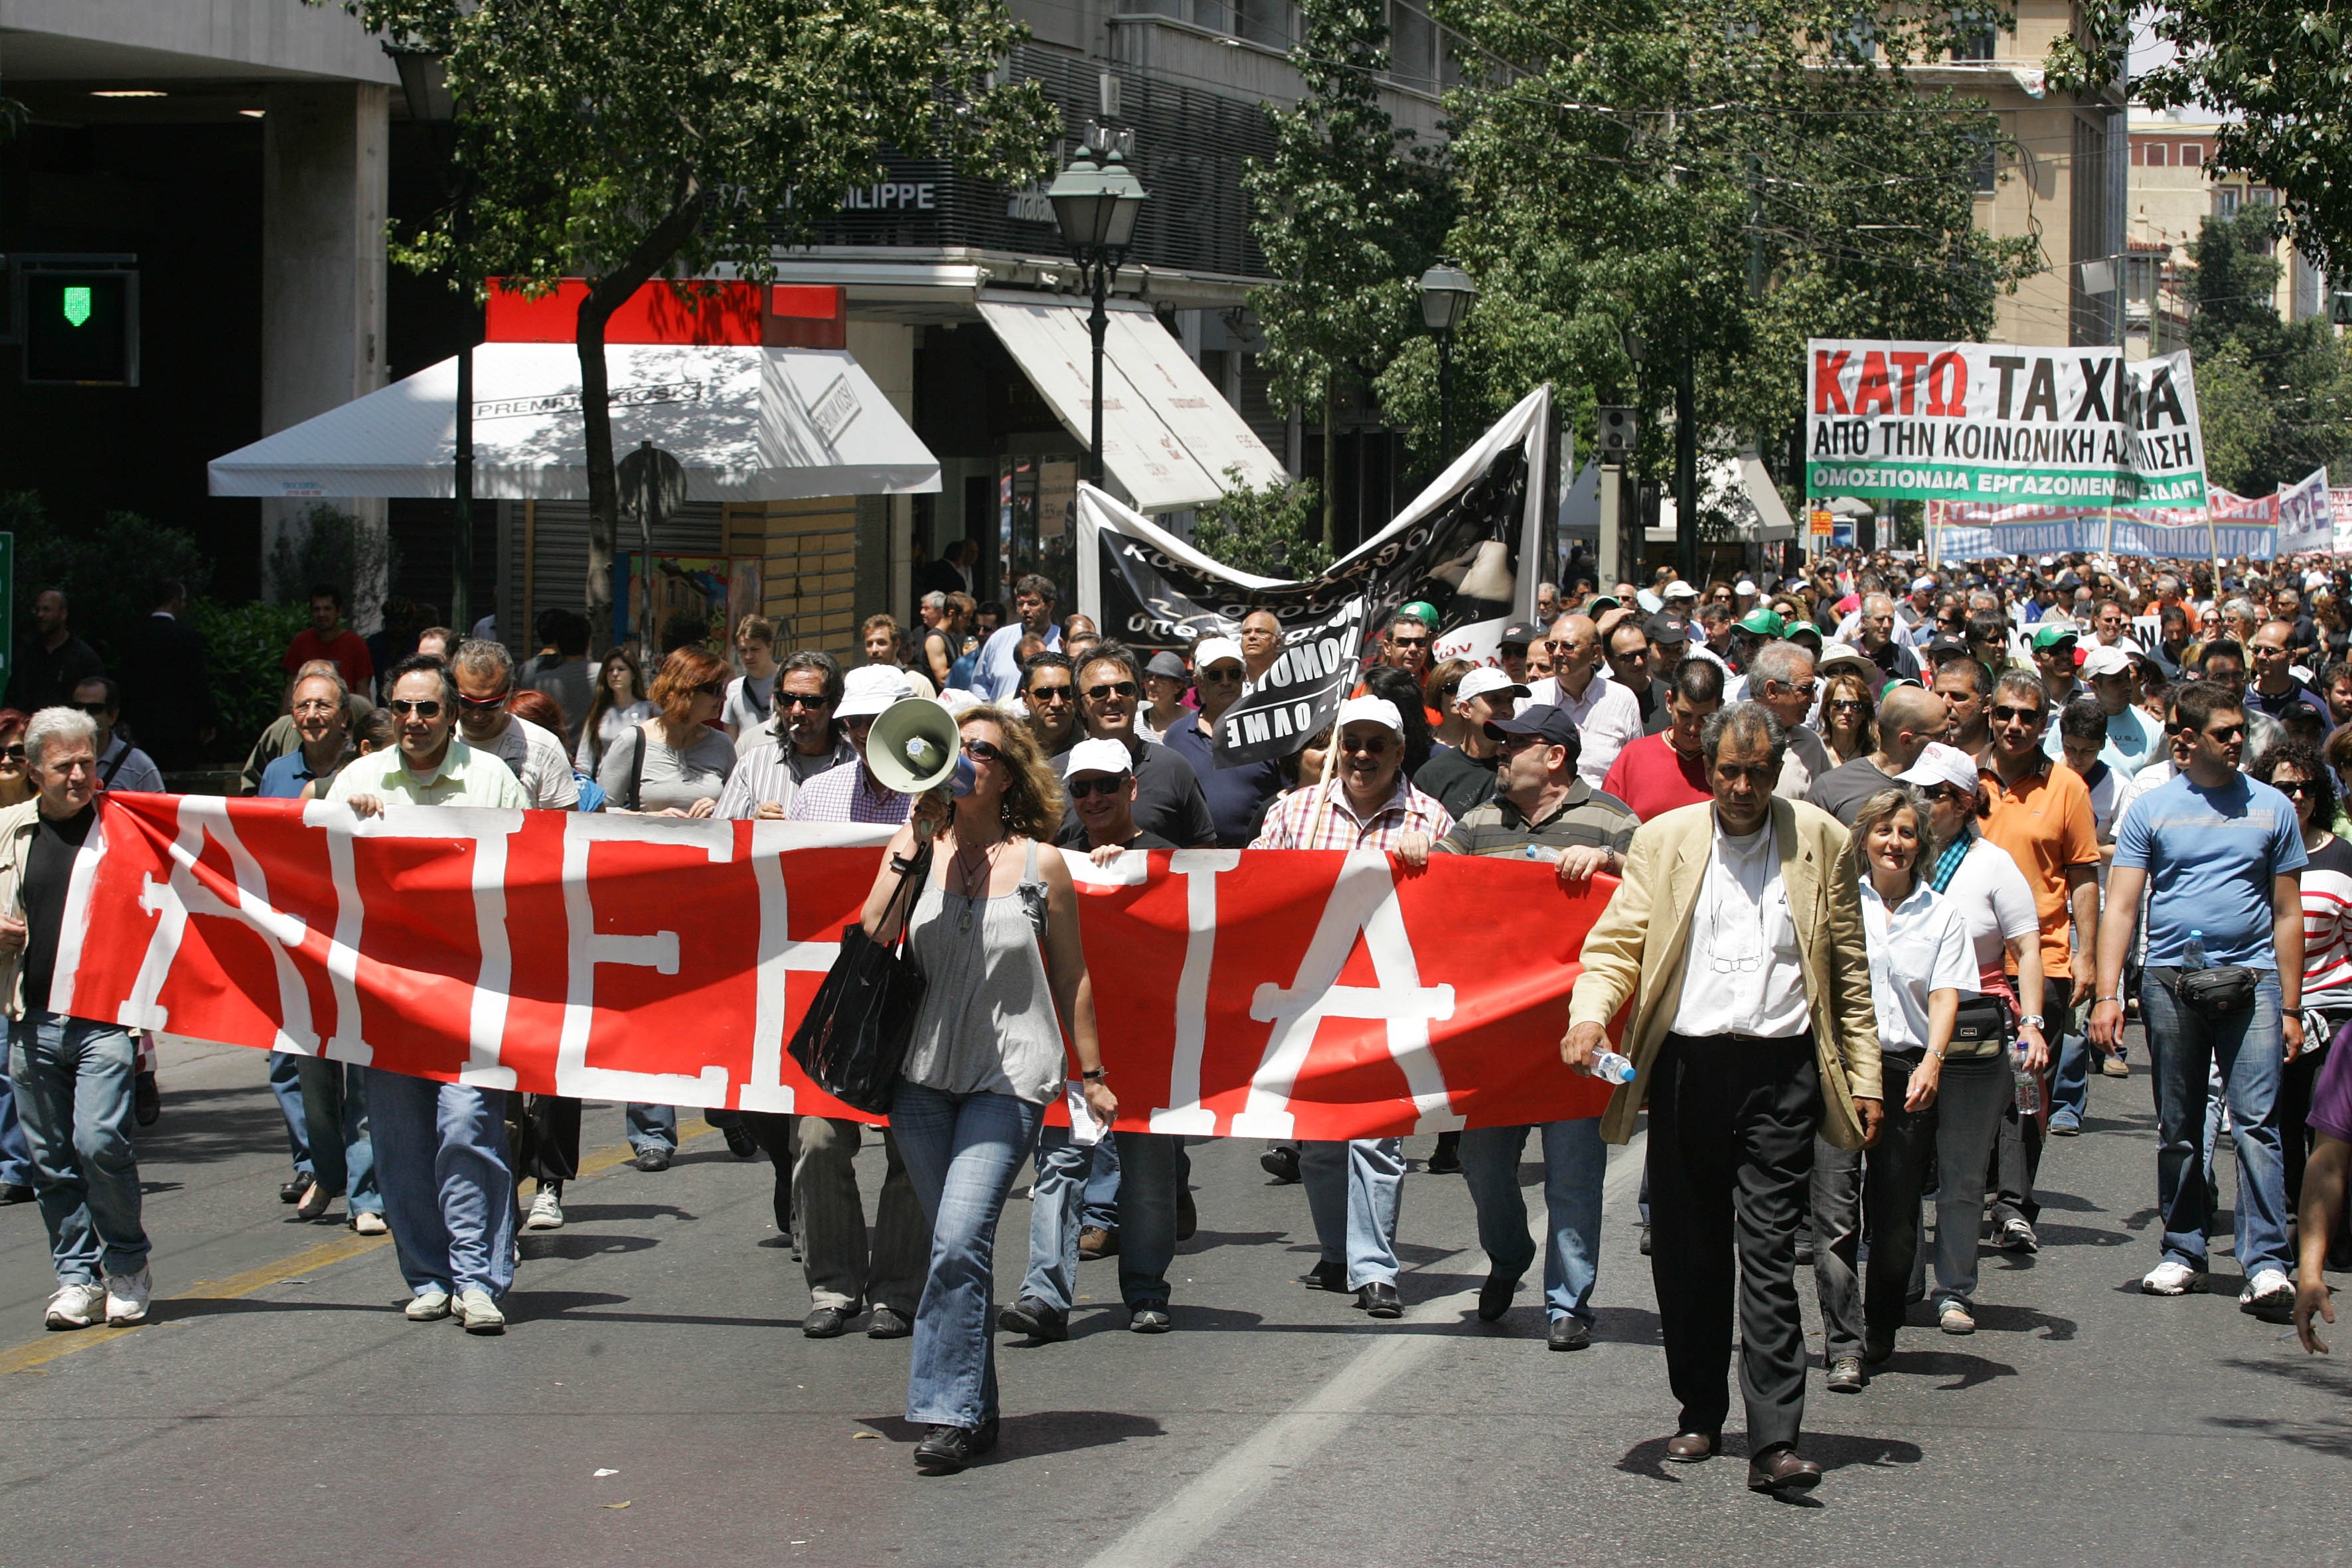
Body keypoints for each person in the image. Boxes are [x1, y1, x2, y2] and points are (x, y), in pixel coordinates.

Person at [1563, 702, 1881, 1493]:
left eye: (1758, 772)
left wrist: (1867, 1075)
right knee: (1688, 1249)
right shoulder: (1665, 840)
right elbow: (1617, 943)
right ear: (1707, 768)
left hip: (1783, 1075)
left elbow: (1847, 971)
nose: (1742, 787)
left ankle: (1775, 1439)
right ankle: (1699, 1411)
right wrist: (1589, 1016)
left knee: (1770, 1250)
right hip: (1685, 1072)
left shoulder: (1822, 840)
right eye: (1729, 771)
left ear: (1779, 771)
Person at [861, 705, 1115, 1473]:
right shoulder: (913, 846)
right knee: (954, 1249)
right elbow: (874, 931)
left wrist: (1092, 1071)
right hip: (922, 1075)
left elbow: (1071, 972)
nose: (964, 757)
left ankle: (946, 1414)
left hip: (1010, 1077)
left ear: (1005, 774)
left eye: (980, 749)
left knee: (961, 1238)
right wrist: (914, 839)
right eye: (955, 745)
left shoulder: (1043, 864)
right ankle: (977, 1405)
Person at [325, 656, 527, 1332]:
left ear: (452, 714)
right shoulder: (357, 778)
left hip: (474, 989)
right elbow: (301, 861)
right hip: (386, 994)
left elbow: (533, 871)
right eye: (403, 708)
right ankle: (428, 1275)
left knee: (468, 1128)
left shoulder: (491, 778)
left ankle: (477, 1278)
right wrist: (343, 821)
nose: (415, 721)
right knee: (400, 1140)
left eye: (429, 709)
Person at [2092, 680, 2306, 1311]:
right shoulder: (2151, 810)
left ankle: (2265, 1262)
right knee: (2180, 1127)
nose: (2237, 740)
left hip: (2255, 982)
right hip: (2169, 982)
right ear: (2186, 739)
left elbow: (2287, 913)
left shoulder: (2273, 808)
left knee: (2256, 1126)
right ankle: (2182, 1249)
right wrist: (2109, 995)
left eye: (2240, 729)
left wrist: (2291, 1006)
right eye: (2223, 732)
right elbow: (2122, 905)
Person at [1437, 703, 1638, 1349]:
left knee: (1575, 1173)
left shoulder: (1612, 819)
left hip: (1577, 1035)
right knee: (1481, 1162)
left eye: (1513, 745)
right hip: (1493, 1042)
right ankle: (1509, 1252)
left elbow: (1662, 886)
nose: (1500, 754)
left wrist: (1609, 859)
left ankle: (1568, 1303)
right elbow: (1428, 892)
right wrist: (1417, 855)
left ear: (1555, 756)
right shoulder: (1474, 825)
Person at [1251, 697, 1450, 1318]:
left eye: (1376, 745)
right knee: (1318, 1141)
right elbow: (1248, 886)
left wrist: (1437, 864)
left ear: (1399, 751)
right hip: (1311, 1000)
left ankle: (1375, 1271)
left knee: (1378, 1138)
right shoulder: (1295, 812)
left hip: (1386, 1002)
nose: (1361, 756)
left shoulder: (1431, 817)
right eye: (1352, 743)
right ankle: (1337, 1253)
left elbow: (1461, 910)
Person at [1002, 738, 1183, 1341]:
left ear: (1132, 788)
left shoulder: (1167, 859)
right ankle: (1044, 1295)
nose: (1094, 798)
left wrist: (1130, 877)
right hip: (1072, 1044)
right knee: (1058, 1166)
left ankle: (1147, 1290)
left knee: (1149, 1175)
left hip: (1147, 1044)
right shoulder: (1054, 859)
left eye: (1107, 785)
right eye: (1081, 789)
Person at [783, 665, 929, 1340]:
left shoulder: (941, 797)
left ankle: (897, 1290)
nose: (866, 735)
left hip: (919, 994)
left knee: (911, 1142)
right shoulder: (814, 797)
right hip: (838, 995)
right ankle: (833, 1284)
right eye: (857, 725)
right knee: (815, 1140)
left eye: (879, 723)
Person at [1, 708, 155, 1329]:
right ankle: (75, 1276)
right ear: (35, 772)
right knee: (52, 1160)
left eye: (88, 763)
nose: (78, 776)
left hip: (104, 1019)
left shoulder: (127, 827)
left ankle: (127, 1264)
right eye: (63, 766)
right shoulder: (9, 830)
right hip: (29, 1019)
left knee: (100, 1143)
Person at [1828, 786, 1980, 1373]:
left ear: (1922, 844)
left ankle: (1879, 1322)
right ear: (1864, 837)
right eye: (1884, 831)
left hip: (1907, 1068)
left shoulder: (1941, 915)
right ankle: (1843, 1339)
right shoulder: (1839, 900)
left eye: (1907, 834)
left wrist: (1933, 1061)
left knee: (1894, 1214)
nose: (1894, 843)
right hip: (1842, 1068)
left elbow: (1945, 994)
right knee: (1836, 1211)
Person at [1901, 742, 2049, 1328]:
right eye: (1911, 791)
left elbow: (2026, 949)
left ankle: (1954, 1287)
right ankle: (1900, 1281)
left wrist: (2033, 1023)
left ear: (1962, 803)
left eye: (1929, 795)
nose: (1915, 804)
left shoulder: (1992, 865)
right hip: (1904, 1030)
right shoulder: (1894, 859)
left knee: (1961, 1171)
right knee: (1901, 1168)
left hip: (1972, 1033)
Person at [1980, 670, 2101, 1239]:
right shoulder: (1961, 777)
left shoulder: (2067, 787)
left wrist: (2087, 956)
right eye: (2005, 713)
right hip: (1968, 963)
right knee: (1971, 1083)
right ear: (1988, 712)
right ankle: (1973, 1190)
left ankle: (2013, 1202)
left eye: (2028, 716)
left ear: (2044, 723)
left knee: (2027, 1084)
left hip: (2042, 962)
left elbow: (2082, 877)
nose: (2015, 725)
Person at [2252, 745, 2352, 1233]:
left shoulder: (2341, 857)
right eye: (2283, 787)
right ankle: (2289, 1218)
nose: (2295, 796)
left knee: (2327, 1124)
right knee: (2281, 1123)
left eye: (2305, 788)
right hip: (2268, 1004)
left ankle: (2334, 1227)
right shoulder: (2251, 850)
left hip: (2331, 1009)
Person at [1054, 646, 1215, 850]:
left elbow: (1203, 853)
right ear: (1080, 705)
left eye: (1124, 689)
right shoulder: (1053, 776)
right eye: (1099, 692)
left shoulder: (1174, 768)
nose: (1113, 698)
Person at [1157, 637, 1285, 848]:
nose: (1226, 682)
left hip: (1259, 858)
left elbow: (1289, 795)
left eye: (1233, 673)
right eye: (1215, 675)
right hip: (1195, 861)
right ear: (1198, 681)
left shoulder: (1269, 731)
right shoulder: (1177, 735)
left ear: (1243, 676)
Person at [597, 647, 736, 819]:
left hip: (709, 845)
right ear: (685, 692)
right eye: (716, 690)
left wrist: (719, 809)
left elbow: (738, 810)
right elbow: (600, 811)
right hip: (650, 844)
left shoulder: (722, 744)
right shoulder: (634, 741)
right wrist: (649, 817)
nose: (723, 698)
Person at [452, 640, 580, 811]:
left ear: (510, 693)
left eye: (490, 704)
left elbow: (565, 826)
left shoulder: (545, 748)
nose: (477, 714)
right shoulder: (435, 740)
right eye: (466, 702)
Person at [1525, 613, 1644, 789]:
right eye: (1552, 646)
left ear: (1595, 653)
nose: (1557, 653)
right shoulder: (1531, 697)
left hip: (1604, 807)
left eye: (1568, 647)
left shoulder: (1622, 698)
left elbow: (1635, 765)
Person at [1806, 682, 1948, 826]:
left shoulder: (1946, 790)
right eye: (1941, 735)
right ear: (1907, 740)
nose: (1948, 741)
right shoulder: (1831, 788)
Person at [1602, 657, 1725, 821]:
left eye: (1705, 718)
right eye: (1685, 715)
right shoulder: (1634, 756)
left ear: (1720, 708)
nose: (1694, 728)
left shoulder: (1728, 762)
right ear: (1669, 702)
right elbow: (1606, 822)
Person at [113, 578, 216, 773]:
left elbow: (124, 682)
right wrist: (207, 720)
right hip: (180, 728)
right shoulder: (188, 637)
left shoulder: (134, 636)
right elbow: (198, 682)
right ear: (175, 600)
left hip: (141, 725)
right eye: (183, 600)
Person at [1414, 667, 1523, 819]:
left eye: (1510, 701)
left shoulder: (1523, 766)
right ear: (1466, 709)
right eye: (1495, 700)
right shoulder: (1432, 775)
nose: (1508, 710)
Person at [2051, 644, 2163, 781]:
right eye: (2116, 680)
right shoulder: (2067, 724)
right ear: (2094, 686)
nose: (2127, 686)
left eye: (2127, 677)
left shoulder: (2151, 729)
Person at [1747, 643, 1833, 799]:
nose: (1814, 699)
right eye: (1806, 689)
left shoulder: (1811, 744)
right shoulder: (1729, 734)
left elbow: (1828, 803)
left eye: (1815, 689)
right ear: (1772, 691)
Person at [256, 670, 356, 801]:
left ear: (344, 717)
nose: (311, 715)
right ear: (293, 718)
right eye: (303, 706)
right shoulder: (276, 772)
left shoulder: (362, 766)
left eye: (322, 706)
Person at [5, 589, 104, 715]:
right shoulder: (26, 652)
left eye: (46, 610)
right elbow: (12, 701)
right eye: (37, 610)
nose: (40, 615)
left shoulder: (83, 656)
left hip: (69, 731)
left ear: (63, 614)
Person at [972, 574, 1063, 703]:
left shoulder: (1061, 642)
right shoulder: (999, 639)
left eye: (1032, 603)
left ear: (1050, 606)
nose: (1025, 609)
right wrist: (988, 709)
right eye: (1020, 604)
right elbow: (979, 683)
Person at [66, 677, 163, 795]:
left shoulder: (139, 766)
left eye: (94, 709)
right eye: (77, 708)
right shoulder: (57, 760)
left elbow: (157, 811)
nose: (83, 715)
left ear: (112, 716)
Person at [523, 609, 595, 754]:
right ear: (588, 643)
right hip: (594, 754)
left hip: (556, 752)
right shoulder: (604, 674)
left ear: (558, 644)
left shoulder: (541, 680)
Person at [281, 584, 374, 696]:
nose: (321, 614)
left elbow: (363, 689)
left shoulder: (356, 644)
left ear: (339, 611)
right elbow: (291, 686)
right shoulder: (301, 642)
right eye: (317, 609)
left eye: (327, 609)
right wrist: (284, 713)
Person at [576, 650, 655, 772]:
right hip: (605, 787)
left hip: (641, 786)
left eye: (621, 669)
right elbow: (584, 760)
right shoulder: (599, 712)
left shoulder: (651, 711)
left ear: (633, 674)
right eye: (610, 670)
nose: (615, 674)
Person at [2248, 619, 2335, 730]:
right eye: (2257, 650)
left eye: (2270, 651)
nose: (2261, 656)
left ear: (2291, 657)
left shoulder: (2313, 705)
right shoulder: (2242, 700)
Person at [1016, 652, 1081, 758]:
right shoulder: (1010, 745)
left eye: (1066, 692)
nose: (1057, 703)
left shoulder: (1091, 746)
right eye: (1044, 694)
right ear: (1025, 699)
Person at [1818, 663, 1878, 767]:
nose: (1847, 711)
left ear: (1864, 713)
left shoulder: (1875, 757)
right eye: (1839, 704)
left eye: (1856, 706)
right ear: (1827, 710)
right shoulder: (1816, 752)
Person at [1139, 651, 1191, 740]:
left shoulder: (1194, 721)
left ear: (1178, 687)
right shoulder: (1136, 722)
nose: (1151, 683)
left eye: (1161, 678)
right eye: (1148, 676)